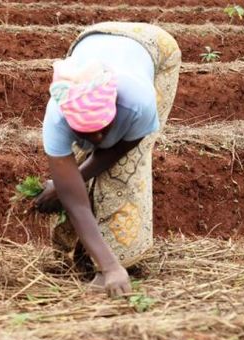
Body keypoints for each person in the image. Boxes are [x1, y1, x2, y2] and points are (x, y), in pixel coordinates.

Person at [33, 22, 181, 297]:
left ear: (114, 106)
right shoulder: (57, 118)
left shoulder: (137, 102)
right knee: (75, 172)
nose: (98, 138)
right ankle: (81, 255)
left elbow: (120, 147)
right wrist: (66, 184)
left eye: (104, 127)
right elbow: (73, 199)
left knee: (125, 170)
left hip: (154, 47)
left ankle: (116, 264)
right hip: (91, 40)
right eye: (87, 131)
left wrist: (111, 268)